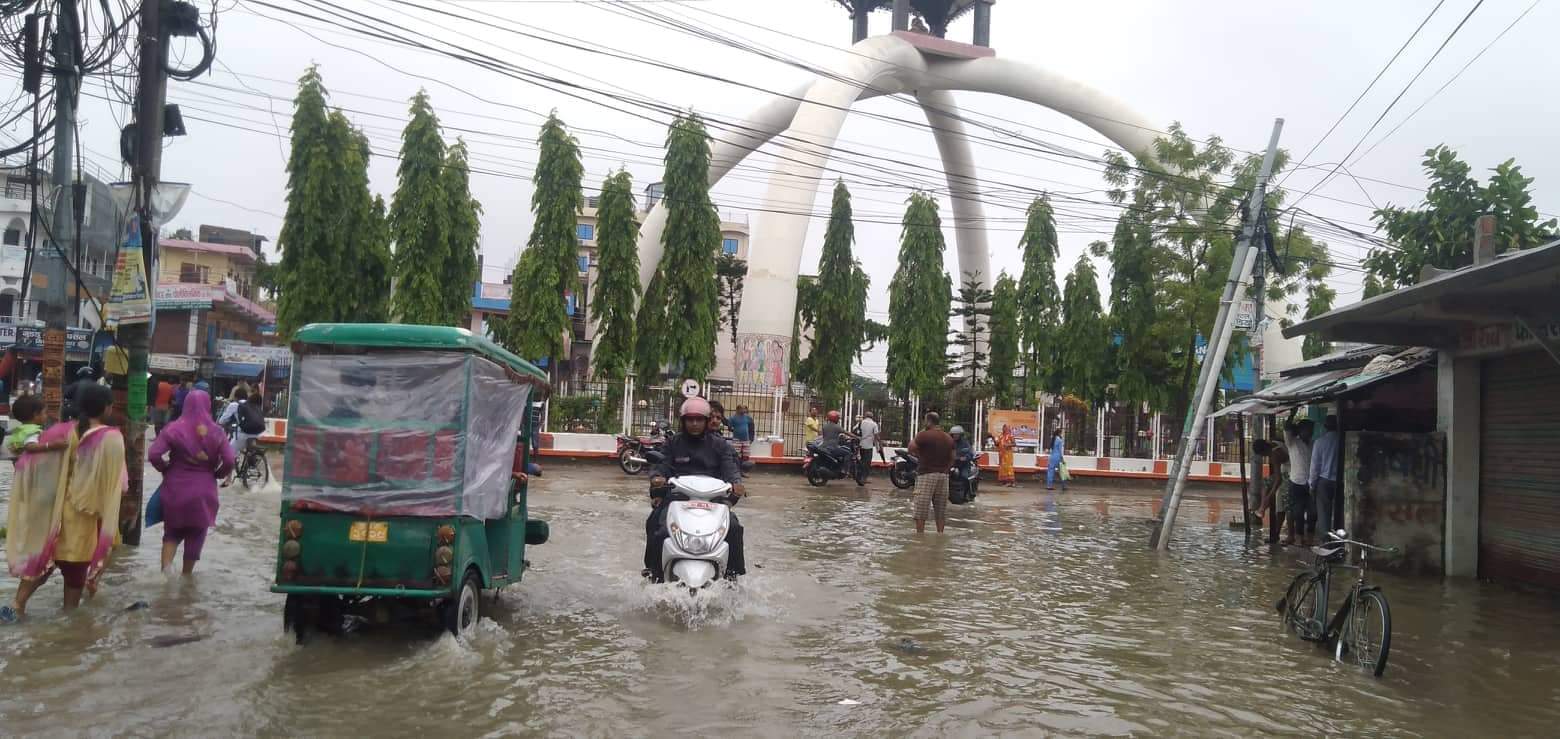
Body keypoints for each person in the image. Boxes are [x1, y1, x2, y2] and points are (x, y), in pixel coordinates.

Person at [7, 385, 126, 619]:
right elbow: (115, 485)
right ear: (106, 407)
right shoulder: (111, 437)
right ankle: (69, 626)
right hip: (84, 514)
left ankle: (16, 606)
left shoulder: (62, 431)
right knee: (75, 572)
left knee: (44, 561)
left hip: (54, 511)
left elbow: (27, 461)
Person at [645, 396, 746, 581]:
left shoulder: (720, 445)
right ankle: (653, 573)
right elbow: (662, 465)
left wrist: (736, 483)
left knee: (734, 527)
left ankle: (733, 577)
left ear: (706, 421)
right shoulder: (673, 443)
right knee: (656, 525)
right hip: (678, 498)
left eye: (699, 419)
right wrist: (657, 478)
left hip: (713, 500)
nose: (694, 423)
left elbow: (730, 468)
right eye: (690, 419)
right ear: (683, 421)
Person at [148, 390, 235, 574]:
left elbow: (154, 454)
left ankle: (165, 576)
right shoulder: (217, 432)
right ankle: (186, 581)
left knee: (171, 534)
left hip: (175, 489)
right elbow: (229, 460)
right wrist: (217, 474)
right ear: (209, 406)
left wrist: (165, 469)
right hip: (204, 492)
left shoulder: (173, 428)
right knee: (196, 534)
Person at [1, 396, 71, 623]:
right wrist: (55, 445)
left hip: (32, 500)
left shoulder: (17, 433)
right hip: (43, 504)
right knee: (43, 559)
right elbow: (32, 448)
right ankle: (17, 604)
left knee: (43, 558)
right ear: (34, 415)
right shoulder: (34, 432)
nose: (46, 416)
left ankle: (18, 605)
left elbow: (18, 454)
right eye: (43, 412)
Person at [909, 412, 954, 533]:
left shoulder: (924, 435)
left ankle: (919, 538)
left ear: (929, 421)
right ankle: (940, 534)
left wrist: (920, 454)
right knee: (940, 511)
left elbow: (911, 448)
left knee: (921, 509)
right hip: (943, 477)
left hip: (926, 475)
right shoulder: (948, 438)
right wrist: (945, 470)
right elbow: (952, 457)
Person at [1251, 439, 1291, 545]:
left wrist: (1270, 495)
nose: (1265, 457)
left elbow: (1278, 480)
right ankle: (1262, 508)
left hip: (1290, 474)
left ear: (1264, 451)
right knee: (1265, 482)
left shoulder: (1274, 455)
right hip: (1285, 471)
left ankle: (1263, 508)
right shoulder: (1274, 443)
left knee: (1281, 505)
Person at [1283, 414, 1315, 546]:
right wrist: (1293, 412)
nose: (1310, 432)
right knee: (1298, 512)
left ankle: (1310, 538)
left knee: (1313, 513)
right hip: (1296, 482)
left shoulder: (1314, 444)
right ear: (1301, 430)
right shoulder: (1292, 442)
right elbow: (1286, 426)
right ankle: (1300, 537)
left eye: (1311, 429)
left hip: (1311, 483)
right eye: (1307, 429)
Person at [1310, 415, 1341, 534]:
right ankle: (1340, 539)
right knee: (1339, 511)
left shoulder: (1319, 442)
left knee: (1323, 513)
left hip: (1324, 481)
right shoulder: (1342, 440)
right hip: (1340, 481)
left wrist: (1312, 485)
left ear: (1325, 427)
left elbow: (1315, 467)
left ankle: (1326, 541)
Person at [217, 387, 264, 458]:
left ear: (236, 397)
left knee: (228, 454)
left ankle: (230, 465)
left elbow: (222, 420)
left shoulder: (234, 404)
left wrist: (220, 423)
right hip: (257, 433)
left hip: (244, 433)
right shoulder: (252, 404)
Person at [854, 411, 880, 486]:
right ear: (872, 417)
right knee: (867, 462)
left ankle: (859, 477)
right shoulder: (874, 424)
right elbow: (876, 436)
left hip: (861, 445)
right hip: (869, 446)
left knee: (861, 461)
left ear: (865, 416)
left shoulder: (861, 423)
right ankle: (864, 478)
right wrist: (879, 446)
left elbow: (855, 430)